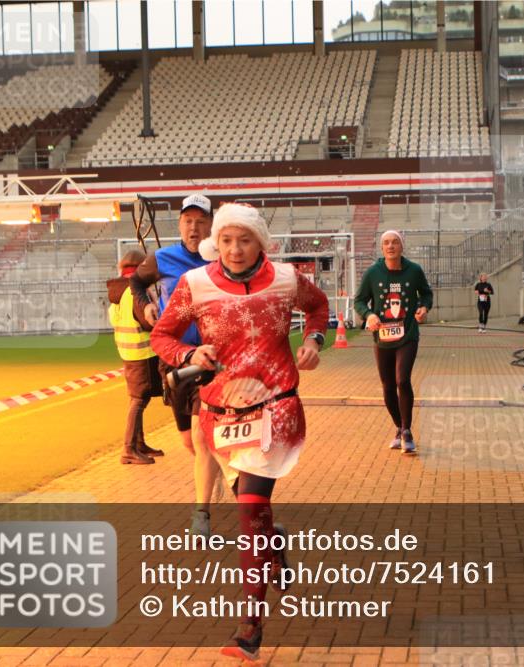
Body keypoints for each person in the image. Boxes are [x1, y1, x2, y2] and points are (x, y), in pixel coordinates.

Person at [150, 203, 329, 662]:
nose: (234, 249)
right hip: (221, 415)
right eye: (226, 240)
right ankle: (276, 547)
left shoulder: (288, 279)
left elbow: (318, 307)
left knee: (250, 511)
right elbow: (162, 337)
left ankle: (250, 625)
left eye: (244, 239)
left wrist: (313, 340)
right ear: (216, 241)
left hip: (277, 406)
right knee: (255, 511)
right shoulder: (195, 284)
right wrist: (189, 356)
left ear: (260, 243)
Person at [130, 193, 220, 536]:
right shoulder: (162, 258)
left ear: (211, 225)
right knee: (188, 441)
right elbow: (135, 281)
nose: (194, 228)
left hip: (211, 358)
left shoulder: (221, 258)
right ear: (180, 224)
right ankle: (212, 474)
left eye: (200, 221)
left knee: (201, 436)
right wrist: (145, 306)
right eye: (188, 221)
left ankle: (202, 514)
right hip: (174, 361)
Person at [354, 230, 433, 455]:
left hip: (407, 334)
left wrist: (424, 308)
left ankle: (407, 431)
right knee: (388, 386)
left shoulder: (414, 271)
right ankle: (399, 427)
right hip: (383, 337)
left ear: (401, 246)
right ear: (382, 249)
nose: (390, 246)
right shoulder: (373, 273)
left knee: (402, 379)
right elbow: (359, 300)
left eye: (395, 242)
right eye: (386, 243)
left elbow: (426, 294)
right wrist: (369, 314)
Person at [106, 249, 163, 465]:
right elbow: (150, 322)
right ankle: (129, 448)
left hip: (128, 352)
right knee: (139, 400)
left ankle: (138, 443)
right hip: (143, 353)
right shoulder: (136, 292)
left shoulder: (116, 294)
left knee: (140, 398)